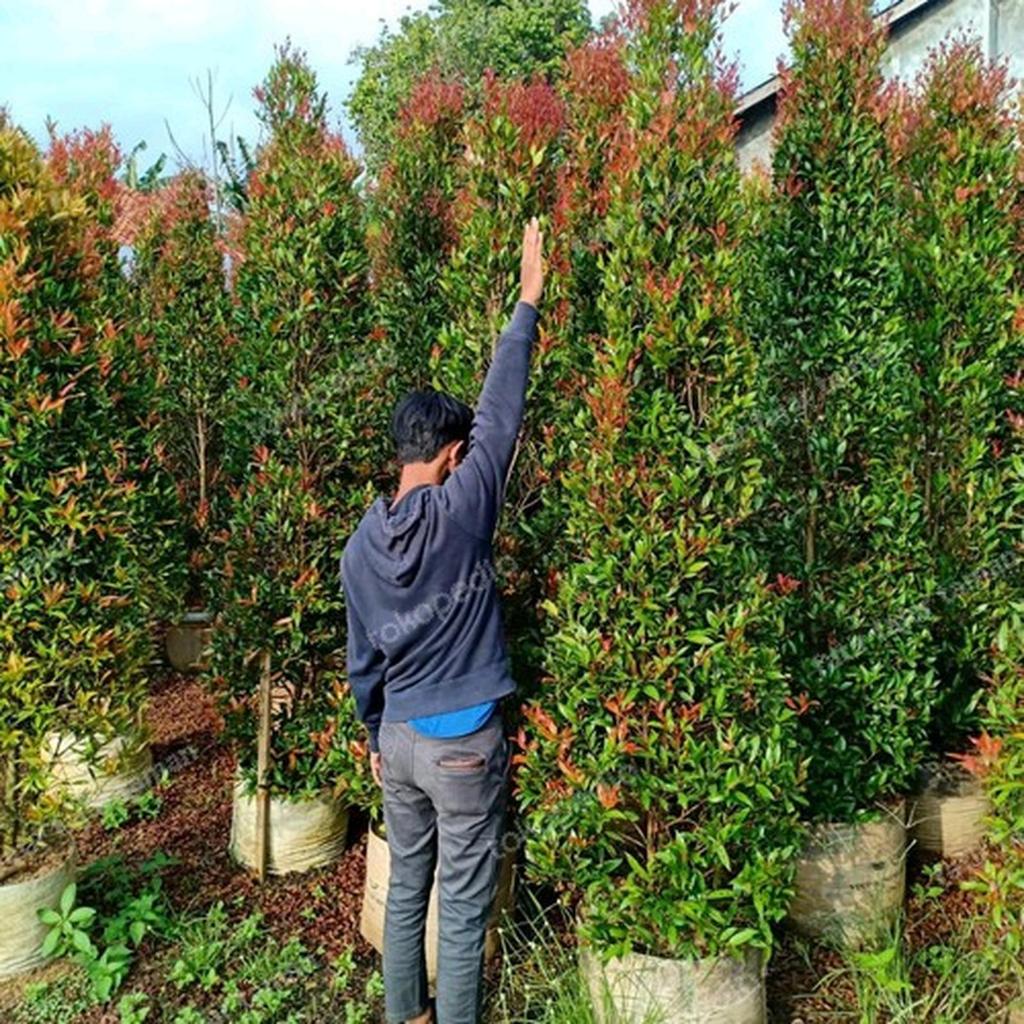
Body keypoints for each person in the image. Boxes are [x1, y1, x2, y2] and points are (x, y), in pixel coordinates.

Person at [341, 218, 544, 1024]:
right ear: (451, 456)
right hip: (463, 747)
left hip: (399, 741)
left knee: (405, 891)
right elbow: (502, 411)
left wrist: (373, 735)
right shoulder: (463, 509)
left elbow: (363, 659)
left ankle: (407, 1017)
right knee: (461, 909)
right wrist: (526, 301)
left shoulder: (360, 545)